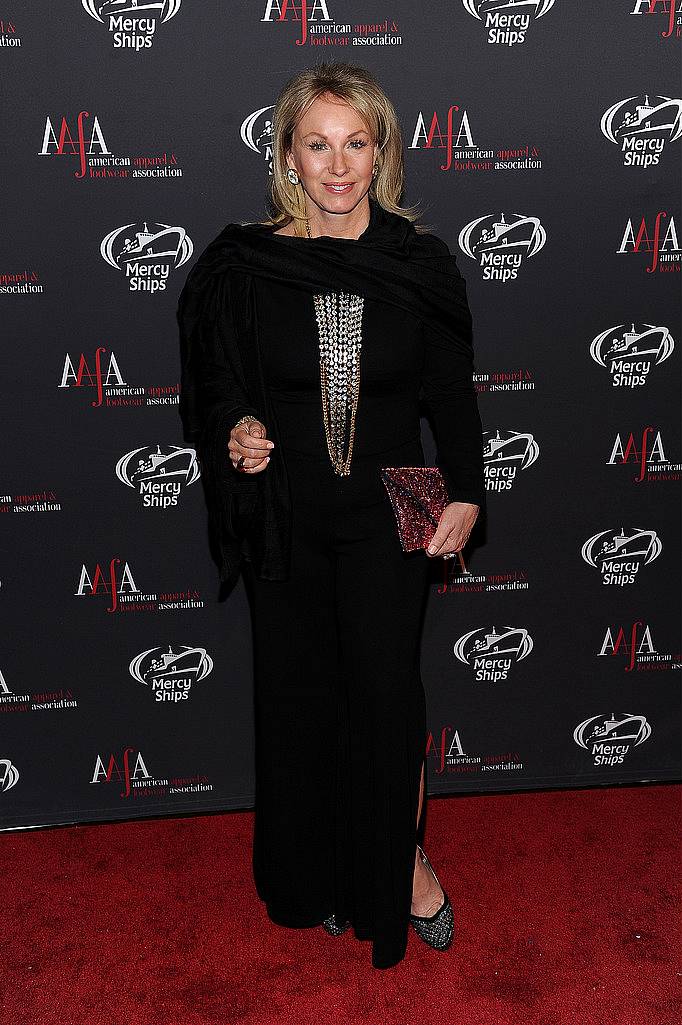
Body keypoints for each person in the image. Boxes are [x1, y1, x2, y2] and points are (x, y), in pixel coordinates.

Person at [176, 61, 485, 970]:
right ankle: (314, 876)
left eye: (356, 142)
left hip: (402, 499)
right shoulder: (244, 264)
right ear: (287, 155)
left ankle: (403, 862)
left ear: (381, 150)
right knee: (301, 698)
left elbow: (452, 395)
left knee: (389, 696)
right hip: (288, 506)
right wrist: (236, 432)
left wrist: (466, 487)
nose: (338, 164)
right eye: (318, 143)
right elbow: (219, 384)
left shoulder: (421, 261)